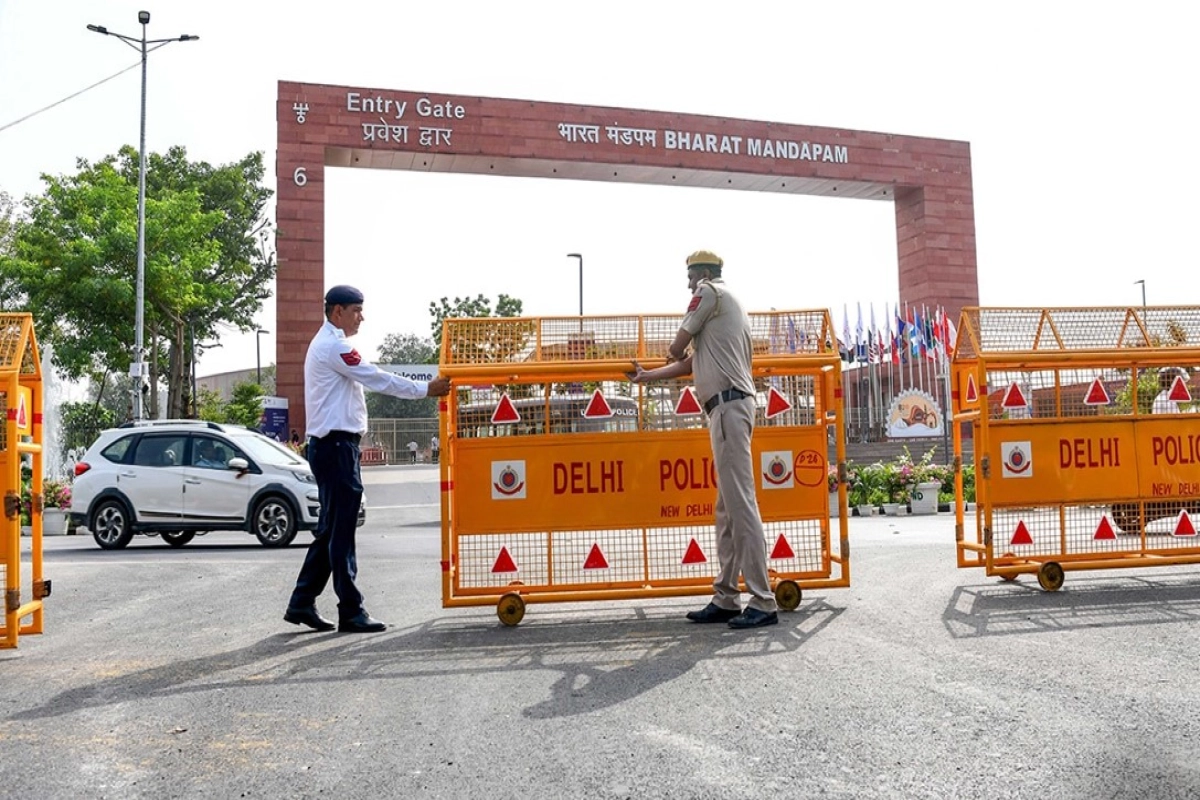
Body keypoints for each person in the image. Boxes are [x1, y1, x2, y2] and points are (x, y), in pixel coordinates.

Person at [285, 285, 451, 634]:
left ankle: (302, 601)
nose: (362, 316)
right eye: (356, 310)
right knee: (342, 531)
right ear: (337, 312)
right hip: (336, 448)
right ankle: (351, 609)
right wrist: (425, 389)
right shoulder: (335, 347)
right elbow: (377, 378)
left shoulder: (328, 344)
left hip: (332, 447)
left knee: (331, 529)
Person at [627, 250, 779, 629]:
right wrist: (648, 377)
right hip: (726, 408)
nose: (688, 284)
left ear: (706, 273)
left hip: (728, 407)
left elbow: (679, 348)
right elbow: (689, 363)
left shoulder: (710, 293)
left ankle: (763, 601)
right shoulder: (724, 308)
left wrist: (673, 347)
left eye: (691, 276)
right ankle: (726, 597)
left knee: (741, 506)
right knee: (727, 510)